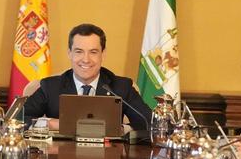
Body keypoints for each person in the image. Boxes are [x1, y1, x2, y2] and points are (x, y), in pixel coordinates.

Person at [23, 23, 153, 131]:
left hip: (108, 158)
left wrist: (118, 129)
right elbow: (18, 119)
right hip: (61, 158)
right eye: (79, 52)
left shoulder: (120, 87)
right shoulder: (51, 87)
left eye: (93, 52)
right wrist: (55, 124)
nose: (86, 60)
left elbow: (148, 122)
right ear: (70, 54)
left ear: (103, 54)